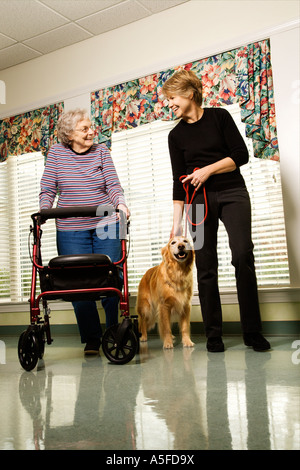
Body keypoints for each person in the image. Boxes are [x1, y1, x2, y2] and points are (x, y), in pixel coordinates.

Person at [162, 70, 270, 352]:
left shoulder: (219, 117)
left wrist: (207, 170)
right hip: (196, 202)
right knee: (206, 266)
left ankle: (252, 331)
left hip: (232, 192)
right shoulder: (175, 136)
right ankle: (213, 335)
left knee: (242, 254)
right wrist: (177, 226)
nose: (169, 104)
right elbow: (177, 182)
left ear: (188, 93)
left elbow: (240, 155)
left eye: (172, 98)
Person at [39, 108, 129, 355]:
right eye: (85, 129)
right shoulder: (56, 153)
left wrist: (120, 203)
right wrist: (44, 211)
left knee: (111, 277)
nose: (92, 132)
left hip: (105, 222)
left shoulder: (101, 151)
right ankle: (91, 338)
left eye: (91, 127)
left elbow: (112, 184)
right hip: (70, 227)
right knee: (77, 283)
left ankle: (113, 334)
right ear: (69, 134)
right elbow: (48, 188)